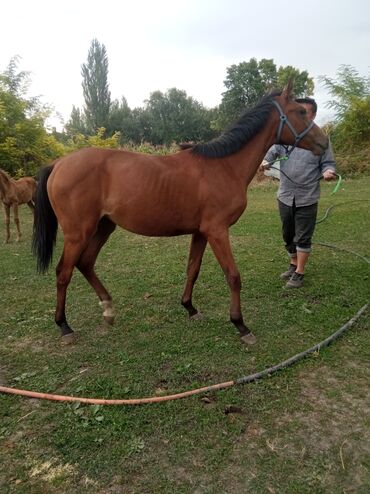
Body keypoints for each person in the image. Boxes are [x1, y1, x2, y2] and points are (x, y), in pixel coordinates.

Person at [263, 97, 337, 289]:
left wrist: (328, 171)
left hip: (308, 197)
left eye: (302, 112)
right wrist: (266, 161)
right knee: (288, 235)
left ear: (312, 114)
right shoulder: (290, 135)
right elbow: (273, 151)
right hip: (285, 195)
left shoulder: (320, 139)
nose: (298, 116)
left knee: (302, 237)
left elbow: (328, 163)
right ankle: (293, 264)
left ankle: (299, 273)